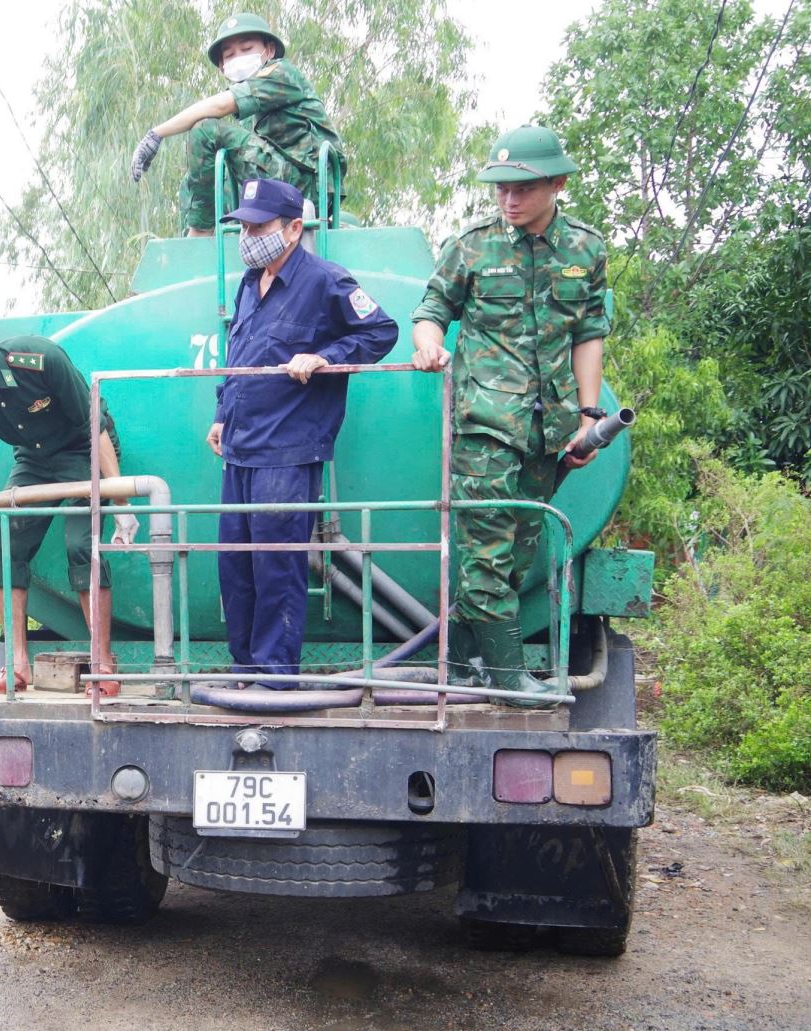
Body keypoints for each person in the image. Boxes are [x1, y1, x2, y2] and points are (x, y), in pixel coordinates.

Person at [410, 124, 611, 707]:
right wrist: (428, 343)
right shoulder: (471, 245)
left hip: (548, 432)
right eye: (499, 189)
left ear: (558, 183)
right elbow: (431, 310)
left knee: (519, 551)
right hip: (485, 425)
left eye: (521, 189)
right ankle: (506, 680)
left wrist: (588, 414)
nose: (508, 200)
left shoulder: (586, 250)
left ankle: (466, 660)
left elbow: (589, 332)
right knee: (487, 553)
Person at [210, 177, 398, 686]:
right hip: (241, 449)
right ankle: (244, 668)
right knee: (237, 568)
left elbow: (381, 332)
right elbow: (240, 354)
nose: (248, 236)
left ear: (294, 229)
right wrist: (222, 412)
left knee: (277, 568)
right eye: (243, 227)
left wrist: (326, 357)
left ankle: (275, 678)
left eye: (259, 226)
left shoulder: (325, 281)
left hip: (288, 452)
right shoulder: (250, 282)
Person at [0, 320, 138, 695]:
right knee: (7, 546)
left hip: (85, 451)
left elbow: (94, 425)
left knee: (82, 545)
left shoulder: (39, 359)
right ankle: (17, 668)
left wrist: (120, 500)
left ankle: (102, 665)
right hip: (34, 462)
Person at [130, 11, 347, 235]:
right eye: (230, 55)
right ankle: (205, 234)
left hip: (308, 186)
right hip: (284, 182)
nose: (238, 58)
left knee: (205, 131)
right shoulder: (253, 111)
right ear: (222, 67)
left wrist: (157, 134)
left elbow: (217, 107)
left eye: (246, 49)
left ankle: (201, 234)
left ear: (269, 50)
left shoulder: (280, 73)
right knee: (198, 177)